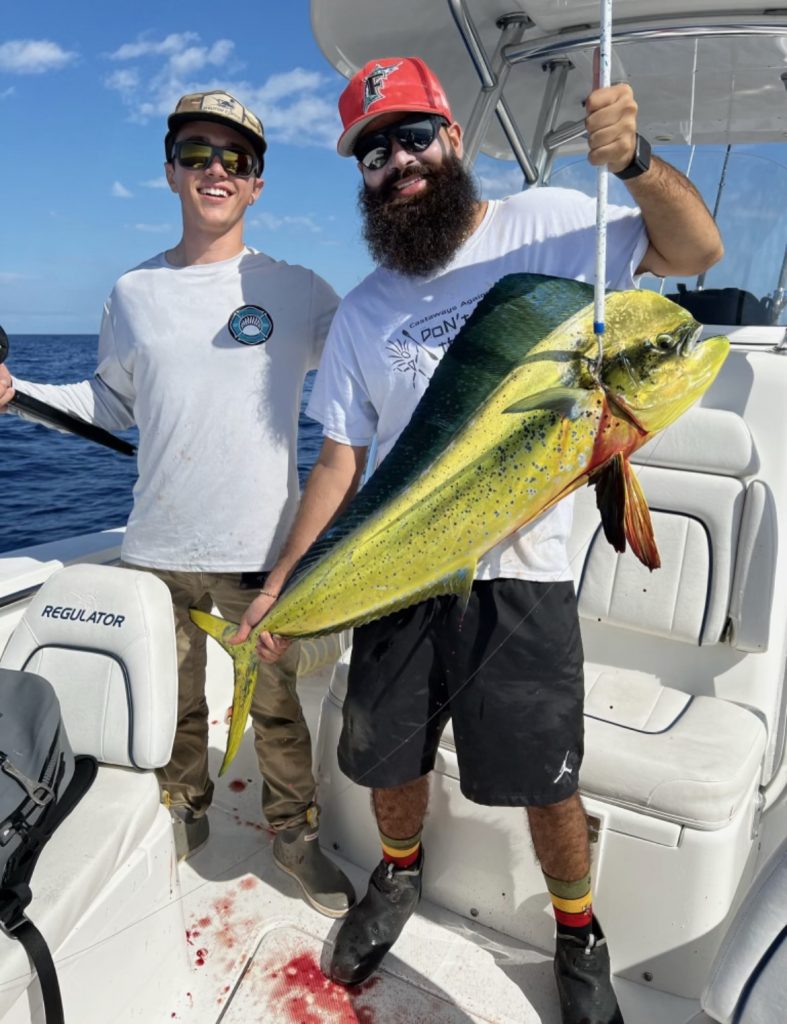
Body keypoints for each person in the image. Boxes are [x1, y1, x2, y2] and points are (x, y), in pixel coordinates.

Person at [233, 58, 723, 1022]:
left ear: (452, 138)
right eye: (372, 152)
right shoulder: (367, 309)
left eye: (412, 136)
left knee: (547, 781)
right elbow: (339, 462)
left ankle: (576, 931)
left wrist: (634, 162)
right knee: (388, 762)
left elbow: (693, 251)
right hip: (400, 573)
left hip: (523, 578)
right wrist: (279, 587)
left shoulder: (551, 223)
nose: (396, 161)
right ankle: (398, 879)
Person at [0, 90, 356, 919]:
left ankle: (293, 835)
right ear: (170, 172)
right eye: (196, 153)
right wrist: (16, 394)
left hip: (264, 554)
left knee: (277, 713)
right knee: (173, 705)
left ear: (258, 184)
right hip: (159, 547)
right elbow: (109, 403)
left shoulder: (298, 290)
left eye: (236, 158)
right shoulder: (131, 294)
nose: (216, 170)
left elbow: (370, 378)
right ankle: (182, 812)